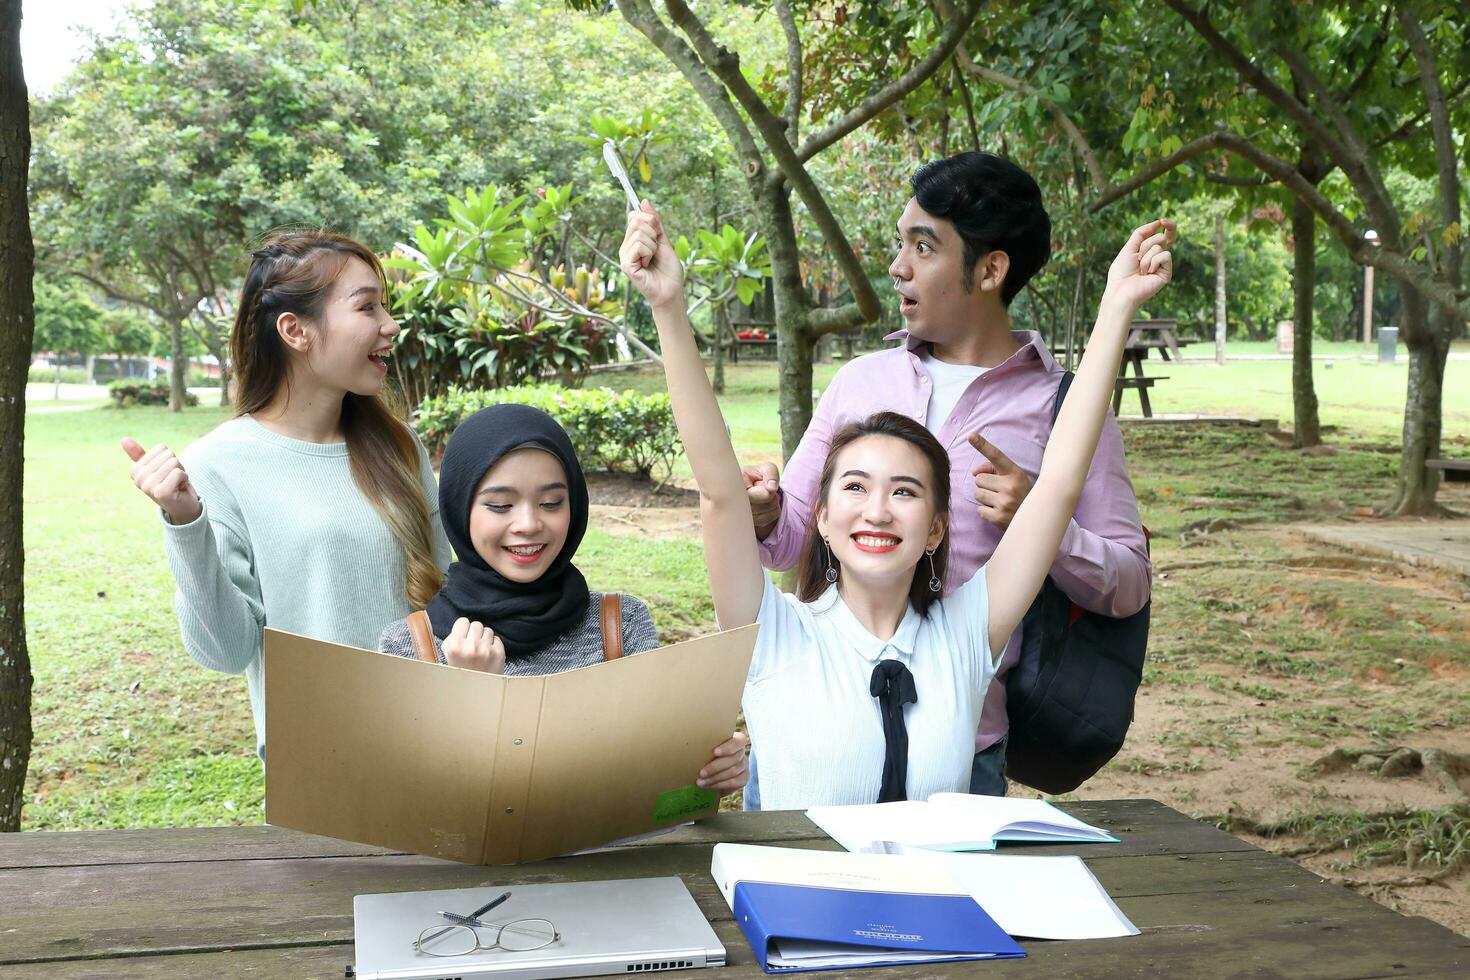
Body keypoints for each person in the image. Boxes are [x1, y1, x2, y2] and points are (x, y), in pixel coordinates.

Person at [621, 199, 1172, 808]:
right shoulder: (774, 633)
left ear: (938, 528)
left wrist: (1117, 307)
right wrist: (667, 307)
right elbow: (721, 491)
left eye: (904, 491)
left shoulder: (967, 635)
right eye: (854, 487)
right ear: (821, 518)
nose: (878, 510)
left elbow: (1062, 477)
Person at [741, 153, 1151, 801]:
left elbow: (1127, 583)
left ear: (990, 270)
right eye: (900, 243)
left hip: (961, 750)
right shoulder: (860, 382)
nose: (898, 266)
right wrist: (763, 514)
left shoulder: (1063, 408)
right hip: (810, 737)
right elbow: (795, 535)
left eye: (923, 247)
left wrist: (1042, 524)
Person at [122, 231, 451, 759]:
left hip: (433, 740)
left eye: (384, 306)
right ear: (295, 330)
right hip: (316, 760)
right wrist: (185, 524)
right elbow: (225, 652)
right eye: (367, 307)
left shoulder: (399, 445)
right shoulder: (218, 464)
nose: (390, 326)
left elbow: (445, 594)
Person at [377, 403, 750, 797]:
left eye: (551, 502)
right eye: (500, 505)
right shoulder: (407, 647)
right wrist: (473, 693)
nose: (528, 524)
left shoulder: (621, 625)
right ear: (458, 508)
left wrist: (712, 773)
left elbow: (656, 786)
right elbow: (409, 803)